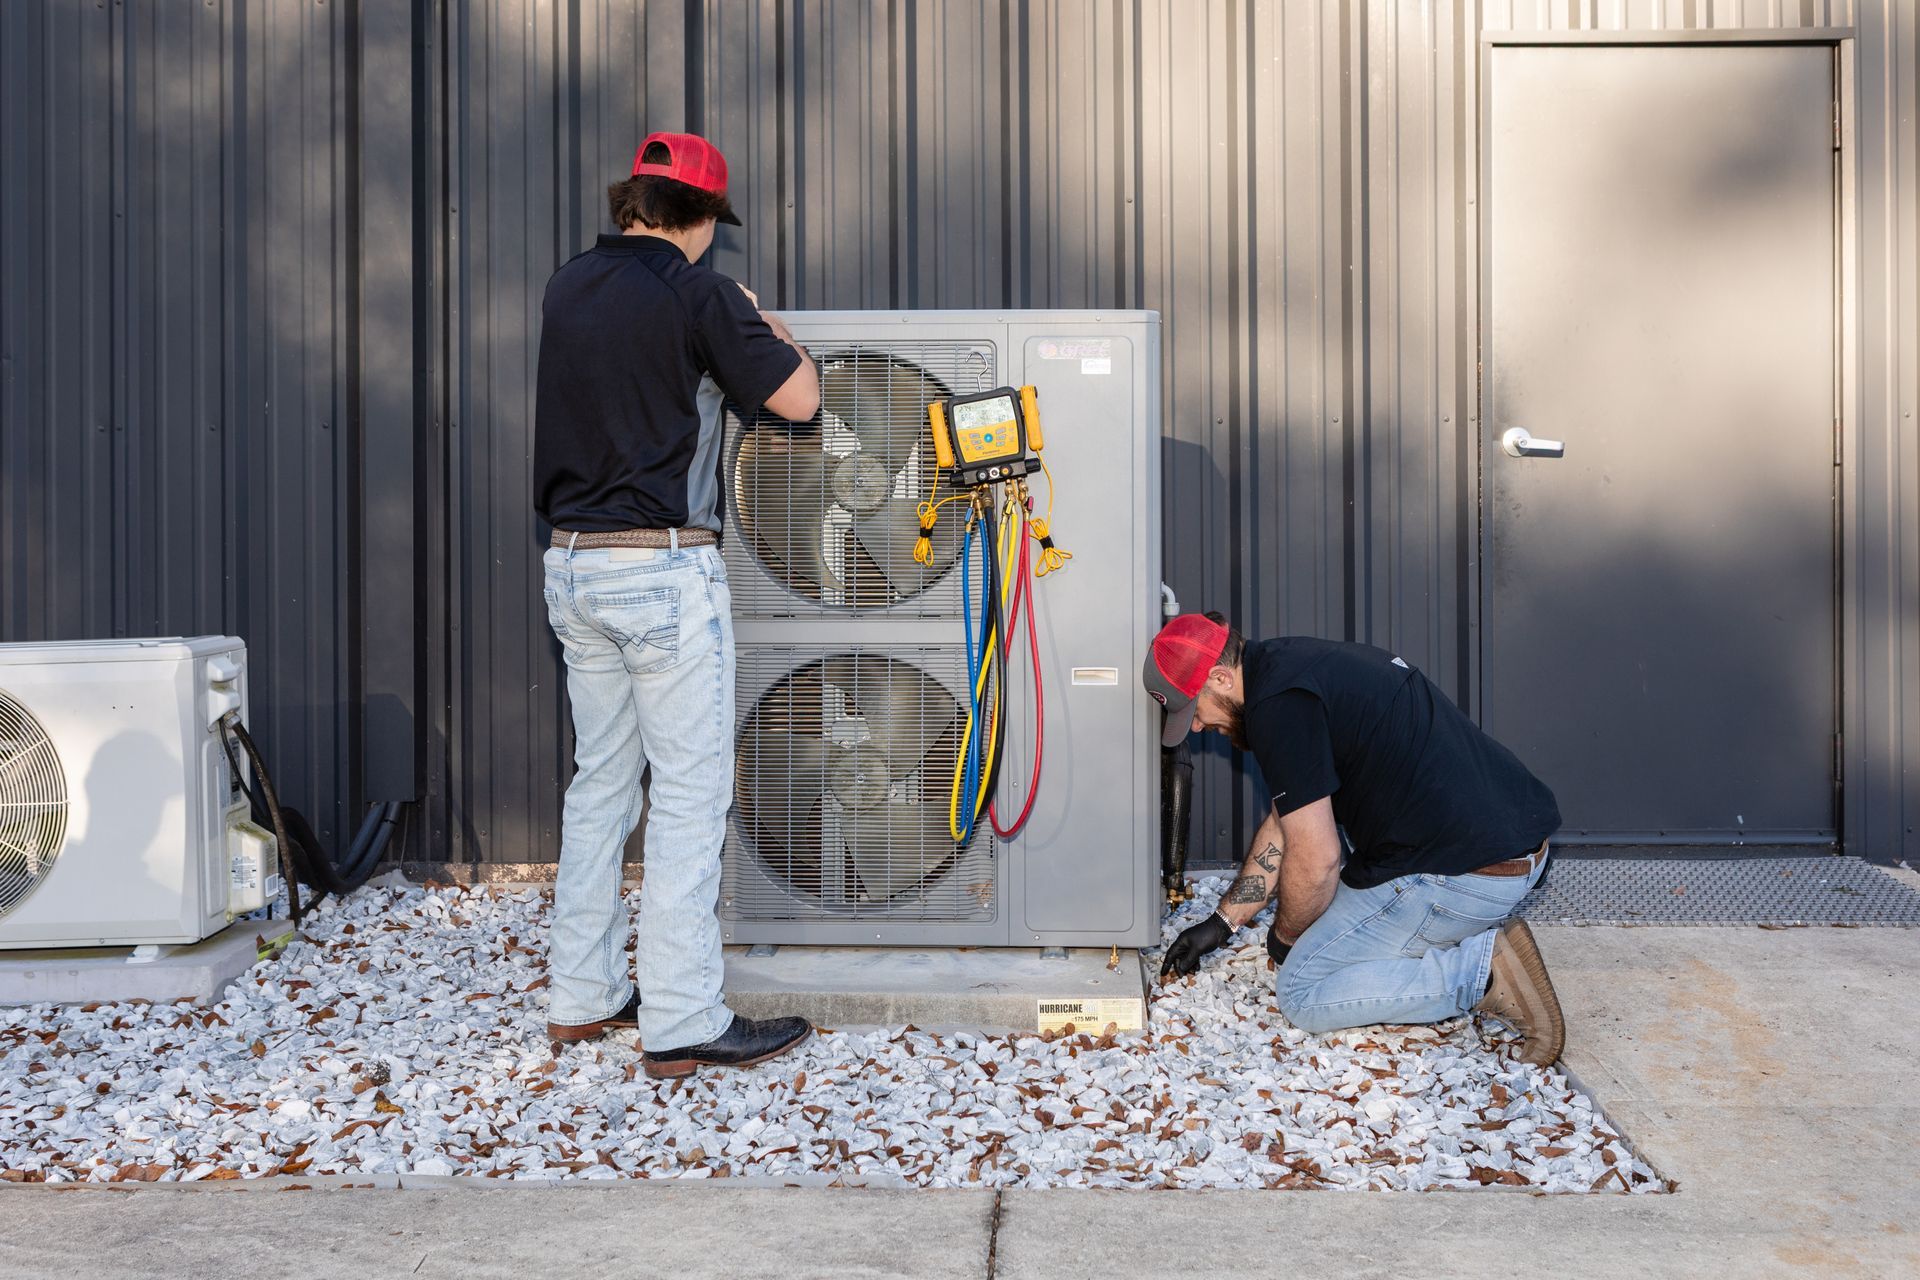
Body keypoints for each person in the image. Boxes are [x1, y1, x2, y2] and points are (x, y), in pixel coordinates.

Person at [533, 131, 820, 1078]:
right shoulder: (699, 291)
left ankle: (581, 996)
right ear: (701, 221)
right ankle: (685, 1017)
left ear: (631, 204)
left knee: (602, 782)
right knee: (692, 794)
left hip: (572, 566)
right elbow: (798, 401)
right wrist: (761, 323)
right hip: (661, 570)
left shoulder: (568, 284)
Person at [1144, 612, 1567, 1065]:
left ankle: (1481, 973)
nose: (1196, 726)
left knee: (1303, 989)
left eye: (1194, 709)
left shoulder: (1278, 710)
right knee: (1322, 911)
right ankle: (1463, 939)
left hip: (1465, 875)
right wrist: (1221, 924)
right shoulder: (1289, 669)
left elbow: (1320, 858)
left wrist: (1289, 939)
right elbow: (1285, 824)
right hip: (1502, 848)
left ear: (1221, 677)